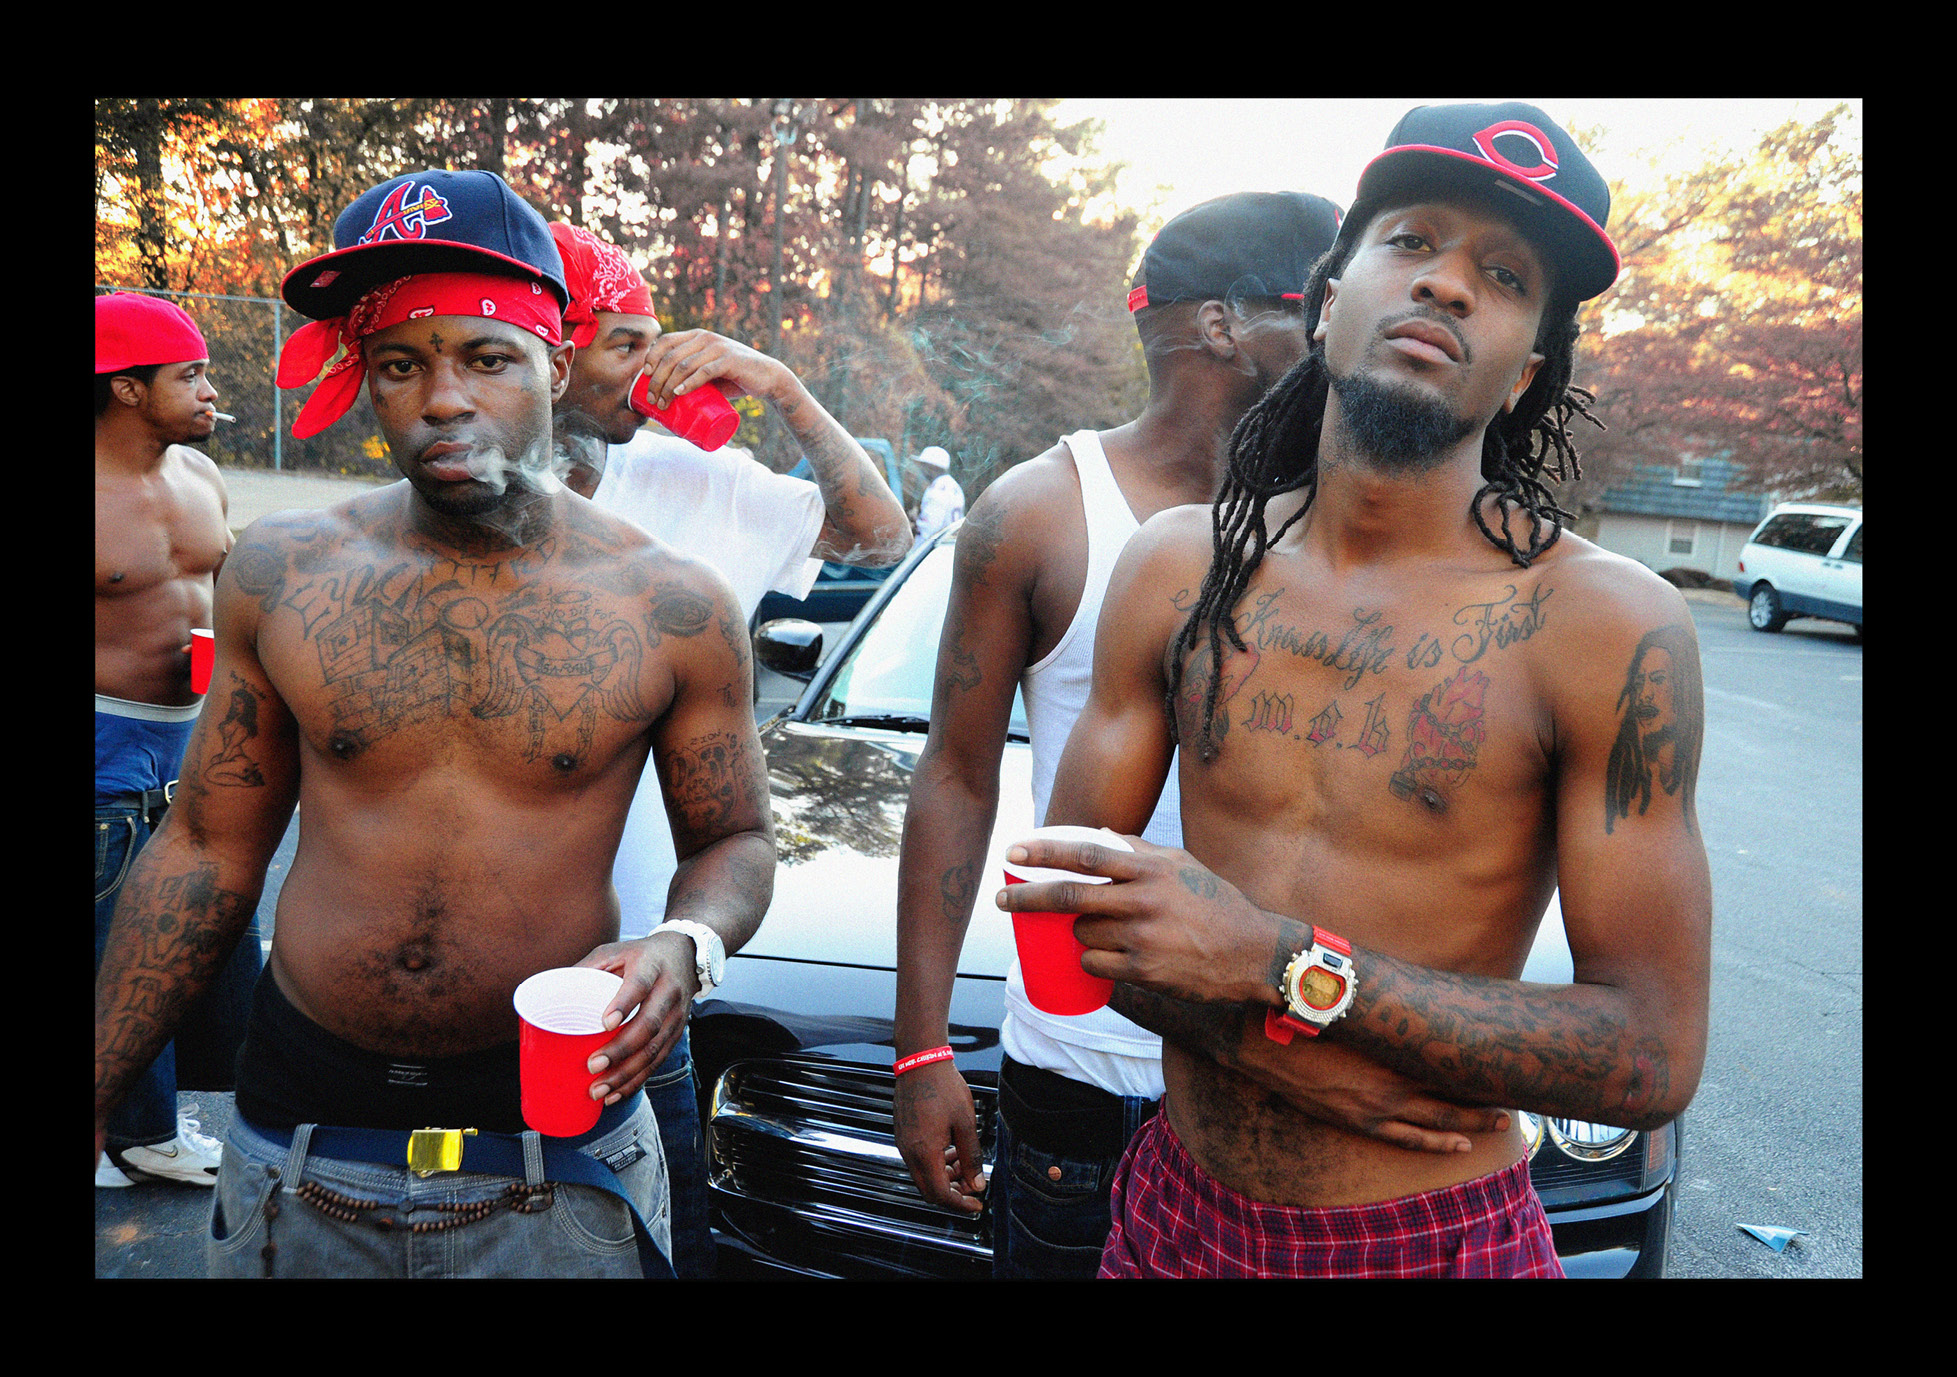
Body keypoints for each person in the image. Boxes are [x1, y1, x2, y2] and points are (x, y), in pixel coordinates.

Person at [996, 102, 1712, 1278]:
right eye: (1411, 241)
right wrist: (1274, 1046)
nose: (1445, 284)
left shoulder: (1605, 626)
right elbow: (1069, 912)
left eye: (1503, 276)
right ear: (1328, 301)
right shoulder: (1177, 569)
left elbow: (1650, 1053)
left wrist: (1289, 968)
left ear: (1528, 370)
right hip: (1171, 1218)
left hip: (1433, 1242)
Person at [93, 169, 777, 1279]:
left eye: (488, 358)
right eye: (401, 365)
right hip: (300, 1144)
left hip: (555, 1155)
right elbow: (209, 848)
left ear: (557, 366)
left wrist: (686, 944)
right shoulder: (285, 572)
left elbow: (734, 839)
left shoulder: (673, 605)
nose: (443, 400)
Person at [891, 190, 1476, 1279]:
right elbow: (957, 776)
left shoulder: (1360, 531)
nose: (1362, 322)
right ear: (1221, 326)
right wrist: (920, 1046)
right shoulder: (1041, 512)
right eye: (1321, 299)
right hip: (1086, 1070)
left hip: (1301, 1062)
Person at [546, 218, 910, 1276]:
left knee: (658, 1243)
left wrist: (784, 390)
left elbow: (879, 537)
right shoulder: (461, 504)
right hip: (479, 980)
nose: (655, 368)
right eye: (625, 344)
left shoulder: (698, 480)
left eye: (655, 339)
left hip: (642, 972)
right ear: (549, 355)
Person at [95, 291, 265, 1189]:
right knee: (119, 949)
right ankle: (140, 1134)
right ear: (127, 387)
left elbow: (225, 587)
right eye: (189, 374)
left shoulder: (200, 473)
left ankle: (150, 1122)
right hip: (104, 744)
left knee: (201, 934)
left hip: (198, 737)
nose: (211, 390)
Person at [910, 445, 965, 548]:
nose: (921, 469)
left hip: (934, 549)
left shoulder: (937, 489)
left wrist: (915, 524)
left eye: (924, 465)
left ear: (932, 467)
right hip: (948, 546)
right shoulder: (953, 486)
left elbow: (930, 530)